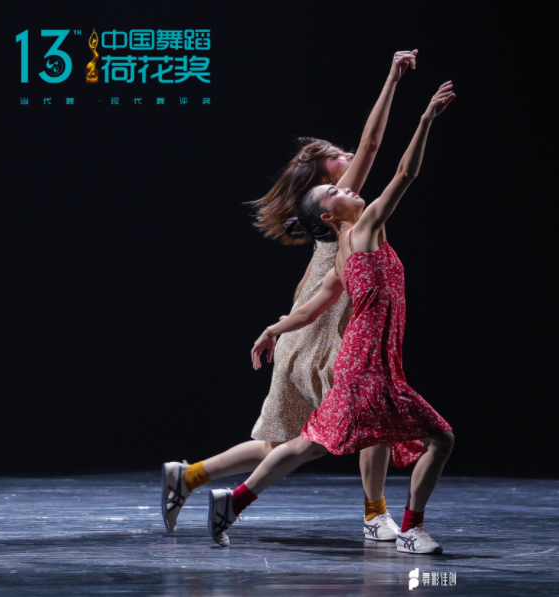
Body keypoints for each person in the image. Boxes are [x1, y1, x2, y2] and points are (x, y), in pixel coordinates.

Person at [161, 50, 419, 543]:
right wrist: (392, 78)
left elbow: (316, 288)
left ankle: (189, 476)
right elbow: (373, 142)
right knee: (371, 417)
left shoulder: (335, 223)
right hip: (321, 339)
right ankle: (374, 516)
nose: (349, 158)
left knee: (286, 442)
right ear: (325, 184)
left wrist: (280, 326)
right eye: (338, 158)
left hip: (304, 335)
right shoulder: (340, 204)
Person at [208, 81, 456, 554]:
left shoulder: (342, 253)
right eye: (335, 191)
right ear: (329, 216)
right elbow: (405, 173)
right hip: (367, 366)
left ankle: (233, 501)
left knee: (310, 445)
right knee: (440, 439)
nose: (347, 188)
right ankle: (409, 528)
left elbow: (310, 307)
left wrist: (272, 329)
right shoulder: (364, 230)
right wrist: (425, 119)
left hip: (367, 362)